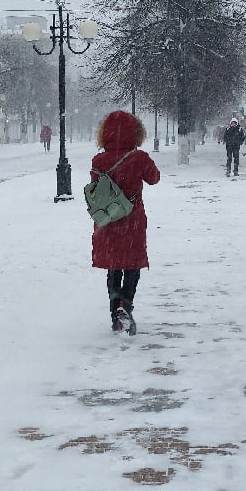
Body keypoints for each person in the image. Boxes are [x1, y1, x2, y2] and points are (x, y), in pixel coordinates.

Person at [91, 110, 161, 335]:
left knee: (114, 267)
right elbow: (154, 178)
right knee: (132, 266)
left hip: (109, 220)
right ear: (136, 132)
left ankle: (116, 315)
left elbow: (96, 188)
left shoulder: (99, 160)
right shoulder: (138, 158)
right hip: (132, 220)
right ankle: (125, 304)